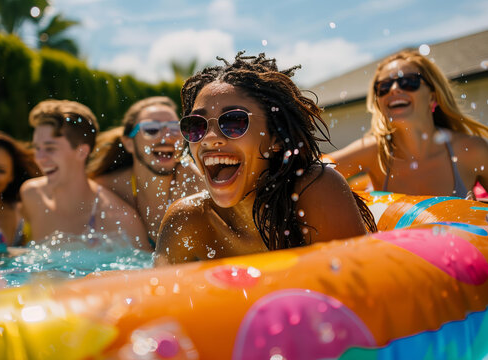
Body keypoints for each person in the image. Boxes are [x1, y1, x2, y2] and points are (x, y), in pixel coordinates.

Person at [155, 53, 377, 265]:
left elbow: (358, 295)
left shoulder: (316, 191)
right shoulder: (186, 220)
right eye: (196, 126)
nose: (209, 139)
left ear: (275, 138)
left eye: (233, 122)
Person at [328, 49, 488, 197]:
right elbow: (310, 173)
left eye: (409, 81)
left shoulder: (472, 151)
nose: (394, 89)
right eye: (384, 86)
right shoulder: (374, 152)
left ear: (432, 96)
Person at [19, 99, 149, 250]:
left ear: (82, 152)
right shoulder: (32, 196)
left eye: (50, 148)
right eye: (37, 148)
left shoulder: (119, 220)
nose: (39, 158)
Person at [87, 96, 204, 249]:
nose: (166, 137)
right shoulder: (111, 187)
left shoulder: (194, 184)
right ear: (129, 143)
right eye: (151, 129)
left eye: (175, 128)